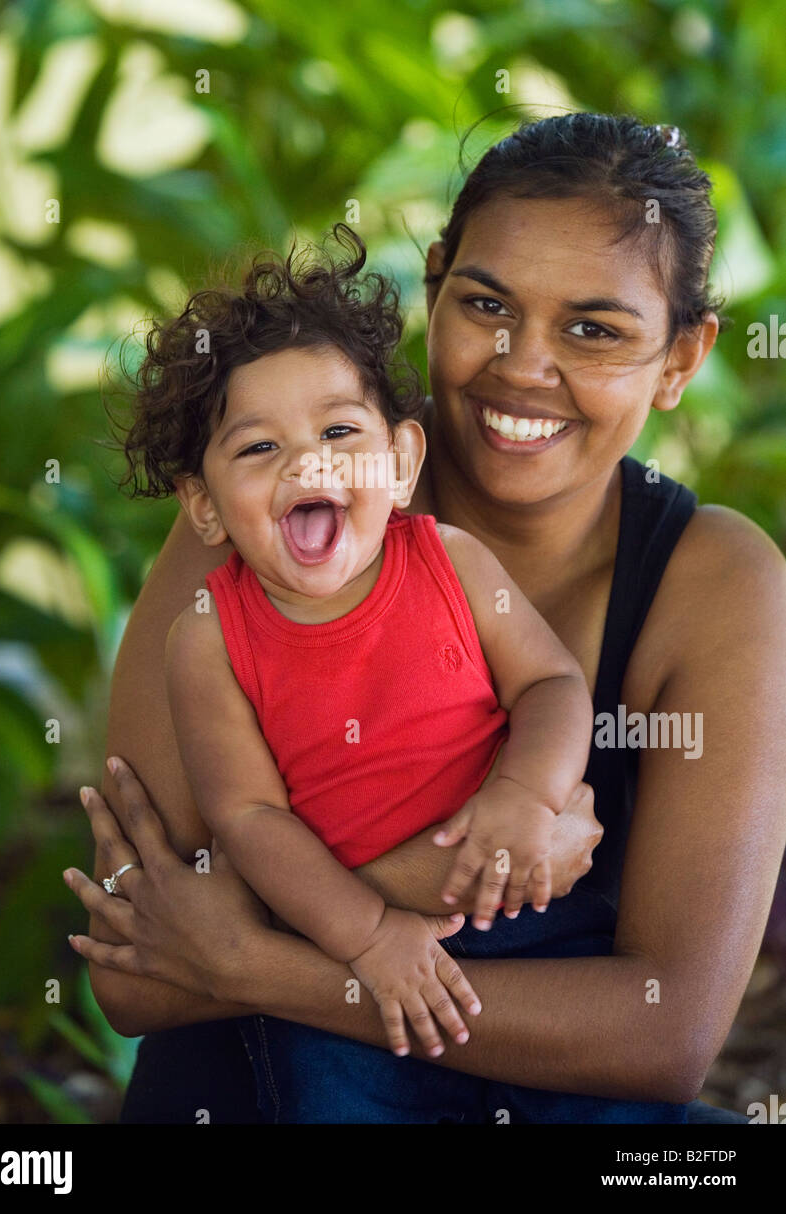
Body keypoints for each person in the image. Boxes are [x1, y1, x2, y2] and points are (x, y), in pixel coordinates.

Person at [64, 113, 786, 1124]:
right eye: (486, 303)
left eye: (595, 329)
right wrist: (457, 874)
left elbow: (663, 1037)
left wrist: (250, 954)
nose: (523, 365)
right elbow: (141, 977)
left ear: (682, 357)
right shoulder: (263, 522)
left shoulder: (713, 582)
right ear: (435, 283)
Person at [116, 242, 594, 1109]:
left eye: (340, 432)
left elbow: (552, 687)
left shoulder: (450, 562)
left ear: (401, 463)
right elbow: (249, 817)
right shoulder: (208, 638)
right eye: (259, 447)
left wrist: (527, 796)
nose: (311, 464)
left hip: (528, 910)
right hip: (337, 949)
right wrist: (370, 937)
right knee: (330, 1095)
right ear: (205, 508)